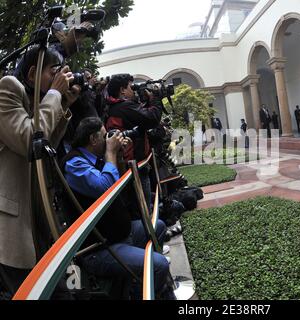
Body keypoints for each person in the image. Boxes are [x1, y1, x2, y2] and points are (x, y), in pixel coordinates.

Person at [62, 117, 173, 299]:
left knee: (158, 226)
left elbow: (120, 185)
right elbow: (107, 188)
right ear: (93, 139)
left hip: (119, 234)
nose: (109, 140)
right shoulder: (74, 163)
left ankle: (138, 281)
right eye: (105, 136)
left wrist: (119, 155)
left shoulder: (97, 158)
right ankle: (140, 293)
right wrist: (111, 153)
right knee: (159, 265)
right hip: (99, 248)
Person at [0, 45, 80, 291]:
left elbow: (45, 149)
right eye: (54, 71)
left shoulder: (39, 101)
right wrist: (55, 94)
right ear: (33, 73)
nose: (60, 78)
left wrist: (64, 104)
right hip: (13, 228)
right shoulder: (7, 87)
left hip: (39, 218)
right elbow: (29, 141)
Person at [105, 74, 164, 210]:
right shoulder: (124, 107)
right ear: (122, 90)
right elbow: (152, 118)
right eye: (131, 87)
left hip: (128, 165)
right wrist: (156, 99)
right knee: (143, 207)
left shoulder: (114, 107)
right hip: (135, 166)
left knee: (142, 204)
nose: (134, 90)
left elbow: (142, 118)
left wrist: (149, 102)